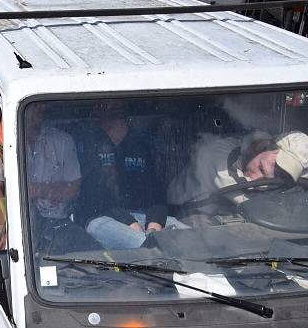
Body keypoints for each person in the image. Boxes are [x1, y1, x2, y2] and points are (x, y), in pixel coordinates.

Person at [75, 102, 187, 249]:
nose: (114, 114)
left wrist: (155, 223)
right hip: (100, 219)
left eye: (119, 110)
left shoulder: (143, 143)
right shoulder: (88, 142)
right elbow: (91, 198)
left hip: (142, 216)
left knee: (193, 238)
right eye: (105, 108)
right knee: (149, 246)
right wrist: (129, 222)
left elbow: (156, 191)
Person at [25, 103, 101, 255]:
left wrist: (37, 190)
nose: (39, 110)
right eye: (33, 107)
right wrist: (6, 225)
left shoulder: (63, 141)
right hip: (17, 223)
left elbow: (73, 189)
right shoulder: (2, 142)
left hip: (58, 224)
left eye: (40, 106)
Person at [167, 130, 308, 209]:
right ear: (259, 146)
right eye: (262, 169)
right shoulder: (217, 157)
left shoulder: (263, 150)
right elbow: (259, 207)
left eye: (281, 174)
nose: (264, 184)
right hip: (181, 213)